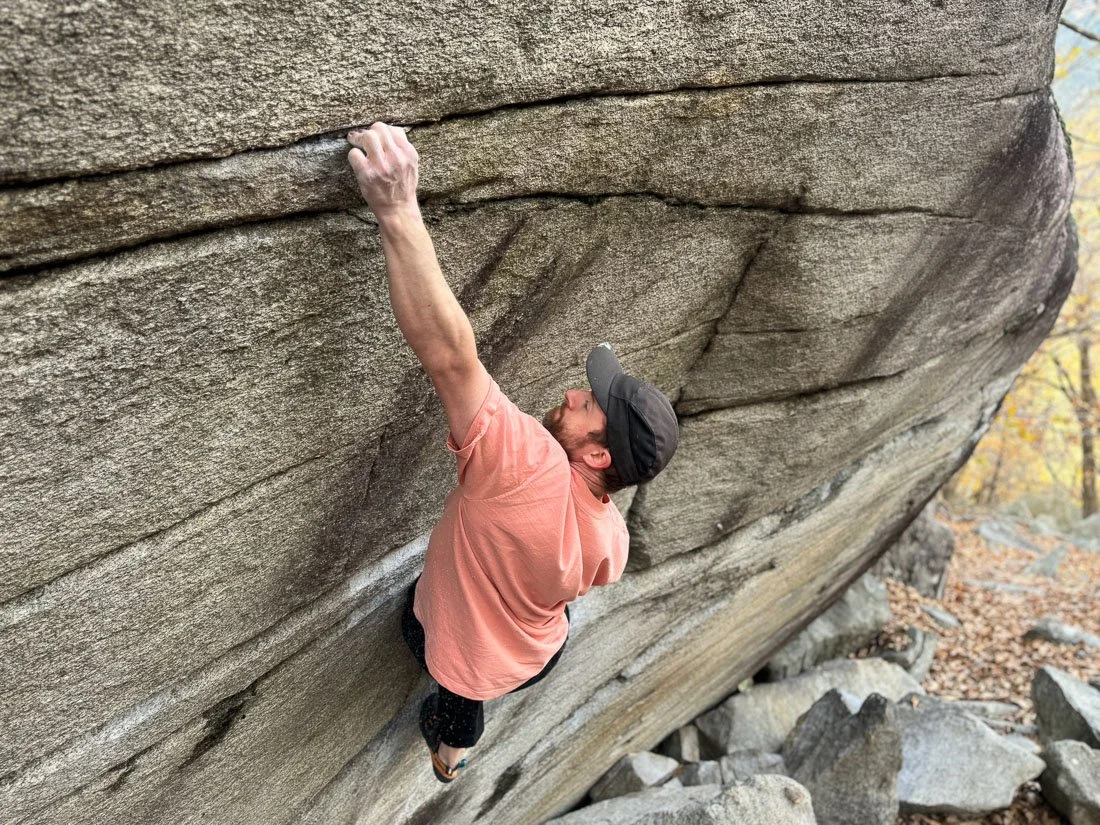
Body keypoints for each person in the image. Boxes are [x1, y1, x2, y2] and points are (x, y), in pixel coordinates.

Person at [346, 122, 680, 783]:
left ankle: (451, 757)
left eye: (587, 403)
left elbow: (448, 354)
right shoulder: (610, 534)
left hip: (474, 656)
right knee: (480, 655)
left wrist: (397, 209)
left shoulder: (523, 461)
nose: (571, 393)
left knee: (458, 691)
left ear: (596, 454)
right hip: (540, 650)